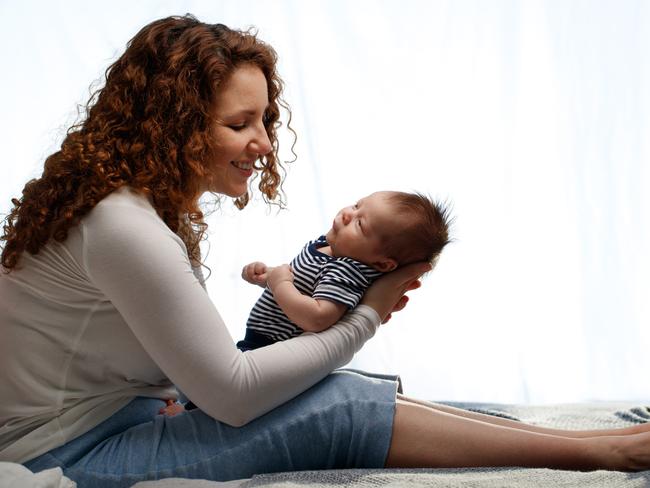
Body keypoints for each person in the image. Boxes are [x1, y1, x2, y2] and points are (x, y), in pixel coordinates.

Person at [1, 15, 650, 488]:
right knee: (336, 403)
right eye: (239, 124)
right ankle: (607, 455)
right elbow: (232, 394)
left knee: (331, 389)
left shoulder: (125, 208)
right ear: (172, 124)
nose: (262, 142)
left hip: (114, 422)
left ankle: (597, 440)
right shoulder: (125, 225)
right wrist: (370, 312)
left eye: (264, 119)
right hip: (75, 458)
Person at [237, 190, 451, 351]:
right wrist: (269, 275)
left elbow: (317, 317)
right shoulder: (329, 246)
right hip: (261, 342)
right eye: (357, 206)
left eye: (360, 224)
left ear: (382, 264)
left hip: (276, 350)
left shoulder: (347, 271)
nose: (348, 214)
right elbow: (301, 283)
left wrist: (280, 283)